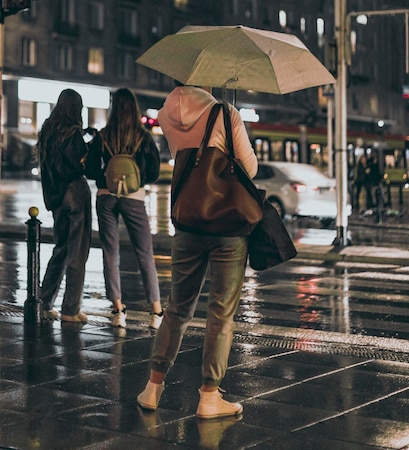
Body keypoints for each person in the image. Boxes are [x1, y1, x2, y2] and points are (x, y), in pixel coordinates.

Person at [137, 83, 258, 419]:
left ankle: (152, 387)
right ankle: (209, 396)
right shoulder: (225, 112)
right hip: (227, 227)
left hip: (188, 222)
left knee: (177, 308)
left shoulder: (165, 115)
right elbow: (249, 169)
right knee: (220, 314)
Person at [85, 88, 163, 330]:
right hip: (134, 198)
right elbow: (154, 171)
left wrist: (106, 178)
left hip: (106, 197)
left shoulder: (103, 135)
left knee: (111, 252)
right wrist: (136, 181)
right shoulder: (143, 136)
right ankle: (156, 311)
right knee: (144, 253)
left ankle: (118, 309)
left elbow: (89, 169)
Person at [38, 89, 91, 323]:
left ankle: (44, 301)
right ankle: (71, 309)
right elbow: (77, 165)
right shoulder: (73, 133)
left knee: (60, 248)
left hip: (56, 196)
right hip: (74, 191)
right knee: (77, 251)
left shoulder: (47, 131)